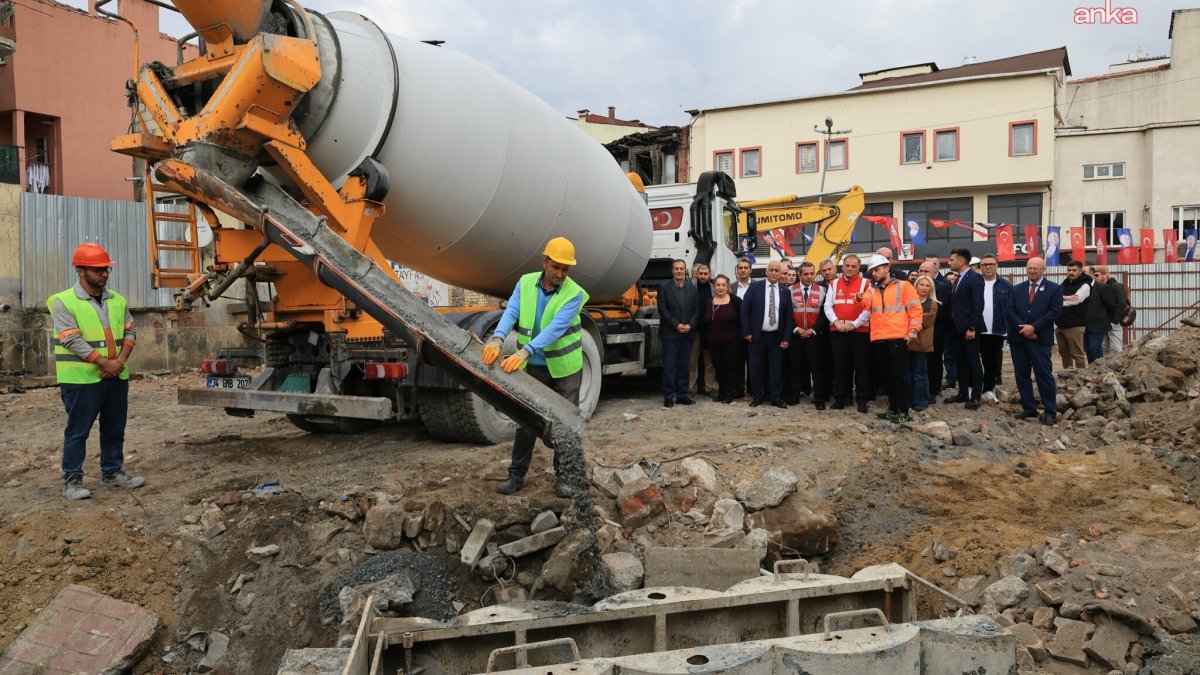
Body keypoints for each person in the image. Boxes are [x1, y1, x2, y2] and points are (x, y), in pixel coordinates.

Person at [484, 237, 589, 496]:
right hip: (536, 366)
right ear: (544, 262)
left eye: (565, 269)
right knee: (527, 421)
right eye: (556, 268)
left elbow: (556, 329)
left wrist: (525, 351)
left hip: (565, 368)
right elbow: (512, 312)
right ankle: (516, 476)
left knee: (564, 425)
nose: (560, 274)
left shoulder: (574, 293)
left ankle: (564, 479)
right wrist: (497, 338)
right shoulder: (525, 283)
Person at [49, 243, 145, 501]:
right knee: (78, 430)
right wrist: (104, 363)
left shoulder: (118, 300)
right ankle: (72, 480)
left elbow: (130, 331)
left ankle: (112, 473)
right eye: (98, 269)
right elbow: (71, 339)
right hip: (81, 379)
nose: (104, 274)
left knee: (115, 427)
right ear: (80, 270)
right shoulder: (64, 302)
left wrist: (119, 362)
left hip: (115, 376)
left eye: (106, 269)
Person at [858, 255, 923, 423]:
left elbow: (915, 310)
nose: (874, 273)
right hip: (879, 339)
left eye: (876, 269)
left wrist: (913, 330)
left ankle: (903, 411)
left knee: (900, 376)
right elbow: (865, 304)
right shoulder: (872, 289)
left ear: (887, 268)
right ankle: (893, 409)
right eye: (872, 271)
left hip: (897, 338)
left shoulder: (904, 286)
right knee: (887, 377)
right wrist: (858, 298)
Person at [1005, 257, 1063, 426]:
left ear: (1043, 269)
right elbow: (1009, 311)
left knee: (1043, 374)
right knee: (1022, 374)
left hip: (1040, 339)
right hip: (1019, 338)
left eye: (1036, 268)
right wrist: (1024, 329)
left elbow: (1055, 312)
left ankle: (1050, 411)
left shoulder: (1054, 289)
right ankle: (1029, 407)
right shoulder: (1016, 289)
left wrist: (1034, 328)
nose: (1032, 271)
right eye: (1029, 268)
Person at [741, 260, 793, 408]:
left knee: (776, 368)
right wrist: (747, 332)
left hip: (776, 337)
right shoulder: (754, 287)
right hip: (756, 336)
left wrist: (786, 337)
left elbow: (789, 317)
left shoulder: (785, 291)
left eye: (777, 270)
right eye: (771, 270)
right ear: (766, 271)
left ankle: (775, 397)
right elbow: (744, 311)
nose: (774, 272)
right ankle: (758, 396)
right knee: (755, 368)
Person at [824, 254, 872, 413]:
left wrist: (854, 324)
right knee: (840, 367)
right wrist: (836, 322)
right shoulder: (834, 283)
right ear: (842, 266)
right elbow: (828, 306)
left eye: (853, 266)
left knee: (862, 367)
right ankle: (840, 398)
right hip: (838, 331)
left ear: (859, 268)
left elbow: (868, 308)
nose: (850, 268)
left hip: (860, 332)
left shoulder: (867, 283)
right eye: (847, 266)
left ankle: (862, 400)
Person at [944, 248, 984, 409]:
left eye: (951, 259)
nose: (948, 262)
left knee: (973, 362)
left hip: (969, 329)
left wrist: (972, 327)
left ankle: (976, 396)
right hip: (956, 328)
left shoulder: (974, 278)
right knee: (960, 361)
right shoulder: (958, 278)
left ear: (961, 261)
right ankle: (962, 393)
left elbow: (978, 304)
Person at [657, 259, 699, 407]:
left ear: (685, 270)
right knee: (669, 366)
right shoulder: (663, 287)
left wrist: (690, 325)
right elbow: (662, 310)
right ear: (672, 271)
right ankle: (668, 396)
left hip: (687, 333)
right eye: (676, 269)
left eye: (682, 269)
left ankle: (682, 394)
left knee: (684, 366)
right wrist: (677, 325)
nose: (679, 271)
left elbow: (697, 309)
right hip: (671, 333)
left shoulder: (692, 288)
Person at [788, 261, 828, 409]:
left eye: (812, 273)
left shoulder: (823, 290)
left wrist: (814, 330)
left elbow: (824, 314)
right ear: (799, 275)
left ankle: (819, 399)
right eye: (806, 274)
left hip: (814, 336)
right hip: (796, 336)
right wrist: (795, 329)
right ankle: (794, 397)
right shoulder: (789, 290)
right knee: (794, 368)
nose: (809, 277)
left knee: (817, 369)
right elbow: (787, 314)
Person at [701, 275, 743, 403]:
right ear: (714, 287)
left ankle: (729, 395)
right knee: (718, 368)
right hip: (714, 343)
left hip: (732, 343)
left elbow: (742, 322)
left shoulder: (736, 301)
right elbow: (704, 323)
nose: (720, 288)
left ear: (728, 286)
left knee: (730, 368)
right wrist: (705, 340)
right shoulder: (708, 302)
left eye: (723, 285)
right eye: (718, 285)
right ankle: (721, 393)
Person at [978, 255, 1012, 401]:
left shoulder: (1006, 286)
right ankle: (973, 387)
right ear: (980, 267)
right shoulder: (975, 283)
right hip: (977, 329)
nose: (988, 267)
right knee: (975, 360)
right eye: (985, 264)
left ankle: (988, 389)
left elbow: (1011, 308)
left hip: (996, 330)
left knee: (992, 362)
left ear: (997, 266)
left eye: (991, 264)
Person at [922, 256, 955, 394]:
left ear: (934, 273)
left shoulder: (942, 287)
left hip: (936, 331)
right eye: (921, 271)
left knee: (934, 361)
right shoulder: (914, 287)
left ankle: (934, 390)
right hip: (919, 331)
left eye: (926, 271)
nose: (923, 274)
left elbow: (941, 311)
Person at [1054, 260, 1091, 369]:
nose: (1071, 272)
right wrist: (1064, 297)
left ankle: (1081, 379)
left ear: (1080, 270)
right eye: (1069, 270)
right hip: (1060, 324)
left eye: (1074, 270)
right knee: (1064, 354)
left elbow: (1075, 301)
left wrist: (1057, 302)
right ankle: (1067, 377)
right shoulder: (1065, 283)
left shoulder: (1085, 285)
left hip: (1075, 325)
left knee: (1078, 355)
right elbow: (1053, 297)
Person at [909, 275, 938, 412]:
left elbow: (925, 322)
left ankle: (921, 401)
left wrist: (909, 317)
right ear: (916, 286)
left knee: (920, 374)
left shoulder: (932, 304)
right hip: (907, 343)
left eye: (927, 285)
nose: (924, 288)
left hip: (922, 344)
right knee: (908, 374)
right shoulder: (908, 301)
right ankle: (908, 399)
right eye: (922, 285)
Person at [689, 263, 715, 398]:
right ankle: (690, 388)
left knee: (710, 362)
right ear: (696, 275)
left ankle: (709, 388)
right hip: (694, 331)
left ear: (710, 275)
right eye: (701, 274)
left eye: (706, 274)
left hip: (709, 331)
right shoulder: (691, 288)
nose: (703, 276)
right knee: (692, 362)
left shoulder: (714, 288)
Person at [1082, 265, 1115, 363]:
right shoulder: (1081, 288)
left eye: (1084, 272)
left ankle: (1100, 370)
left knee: (1095, 348)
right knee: (1088, 349)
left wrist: (1102, 316)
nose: (1081, 274)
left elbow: (1110, 305)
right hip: (1085, 324)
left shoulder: (1103, 287)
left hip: (1098, 324)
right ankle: (1092, 370)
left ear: (1092, 274)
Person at [1094, 266, 1127, 354]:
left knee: (1116, 348)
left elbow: (1121, 304)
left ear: (1105, 275)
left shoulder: (1116, 286)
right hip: (1103, 321)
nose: (1095, 277)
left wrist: (1115, 321)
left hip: (1113, 321)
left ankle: (1117, 367)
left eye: (1097, 275)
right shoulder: (1100, 287)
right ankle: (1106, 367)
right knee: (1104, 347)